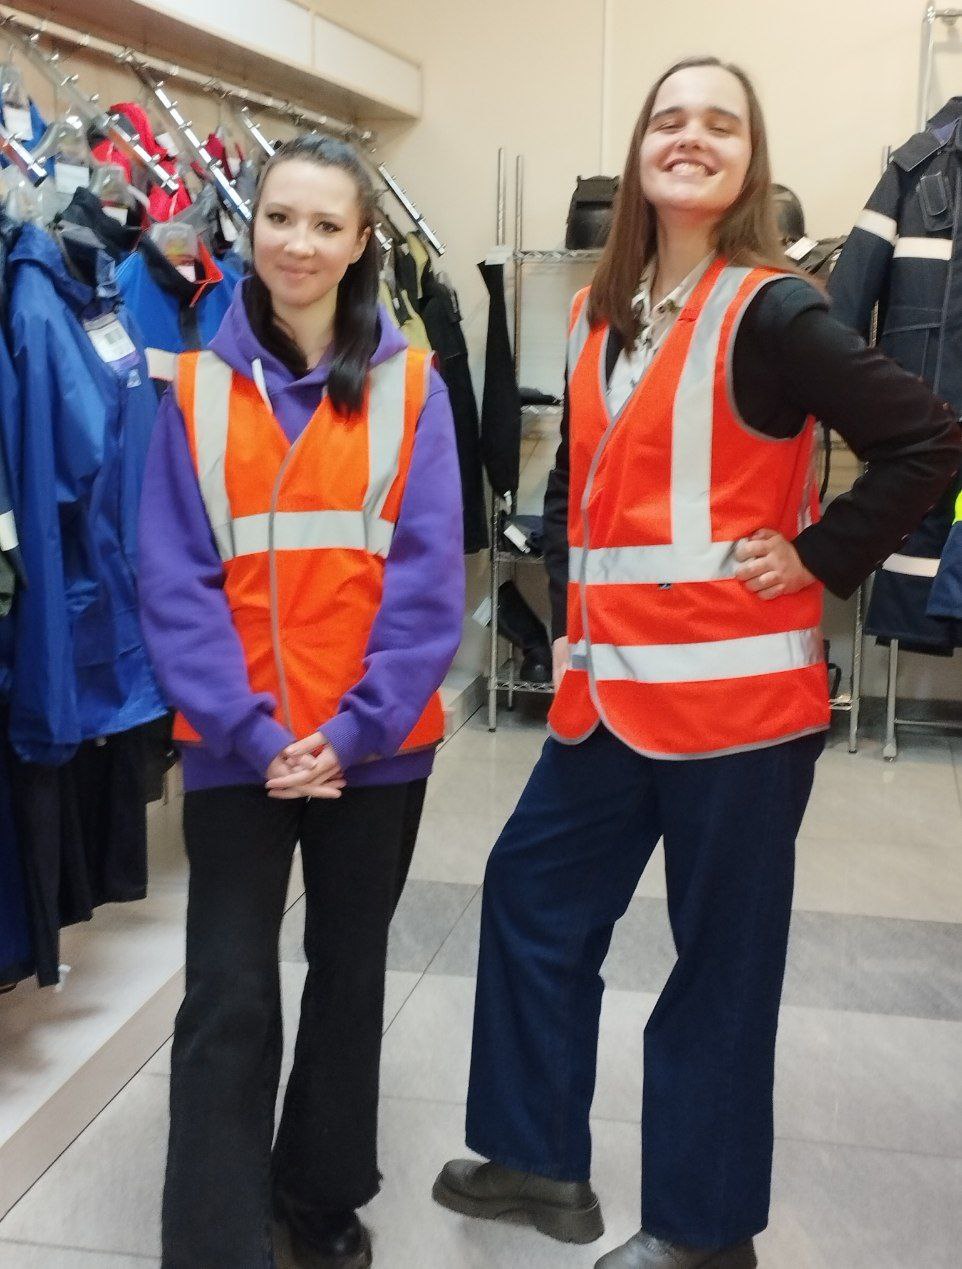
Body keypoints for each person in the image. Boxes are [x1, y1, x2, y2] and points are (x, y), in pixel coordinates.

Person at [433, 56, 961, 1269]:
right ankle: (533, 1155)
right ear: (636, 154)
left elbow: (927, 439)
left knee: (717, 970)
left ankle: (701, 1236)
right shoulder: (598, 314)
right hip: (606, 697)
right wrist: (566, 605)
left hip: (738, 712)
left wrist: (820, 553)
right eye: (667, 119)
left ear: (746, 161)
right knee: (528, 898)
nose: (689, 137)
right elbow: (578, 489)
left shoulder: (772, 310)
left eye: (718, 124)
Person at [138, 134, 465, 1269]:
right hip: (239, 744)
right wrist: (254, 731)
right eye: (280, 217)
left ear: (363, 242)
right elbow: (172, 581)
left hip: (375, 745)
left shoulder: (411, 387)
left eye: (327, 224)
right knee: (227, 988)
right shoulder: (189, 390)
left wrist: (354, 728)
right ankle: (212, 1235)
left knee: (347, 976)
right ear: (250, 227)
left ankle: (318, 1194)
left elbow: (428, 585)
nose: (300, 243)